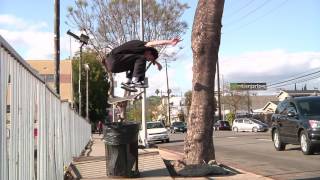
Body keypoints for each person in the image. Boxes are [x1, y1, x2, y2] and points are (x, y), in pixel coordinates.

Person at [102, 38, 181, 91]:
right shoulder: (143, 45)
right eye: (149, 59)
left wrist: (157, 63)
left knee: (136, 63)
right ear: (150, 52)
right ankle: (135, 81)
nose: (147, 60)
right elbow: (155, 43)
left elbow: (147, 58)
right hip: (114, 59)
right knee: (141, 59)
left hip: (112, 66)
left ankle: (128, 82)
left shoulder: (138, 53)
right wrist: (169, 42)